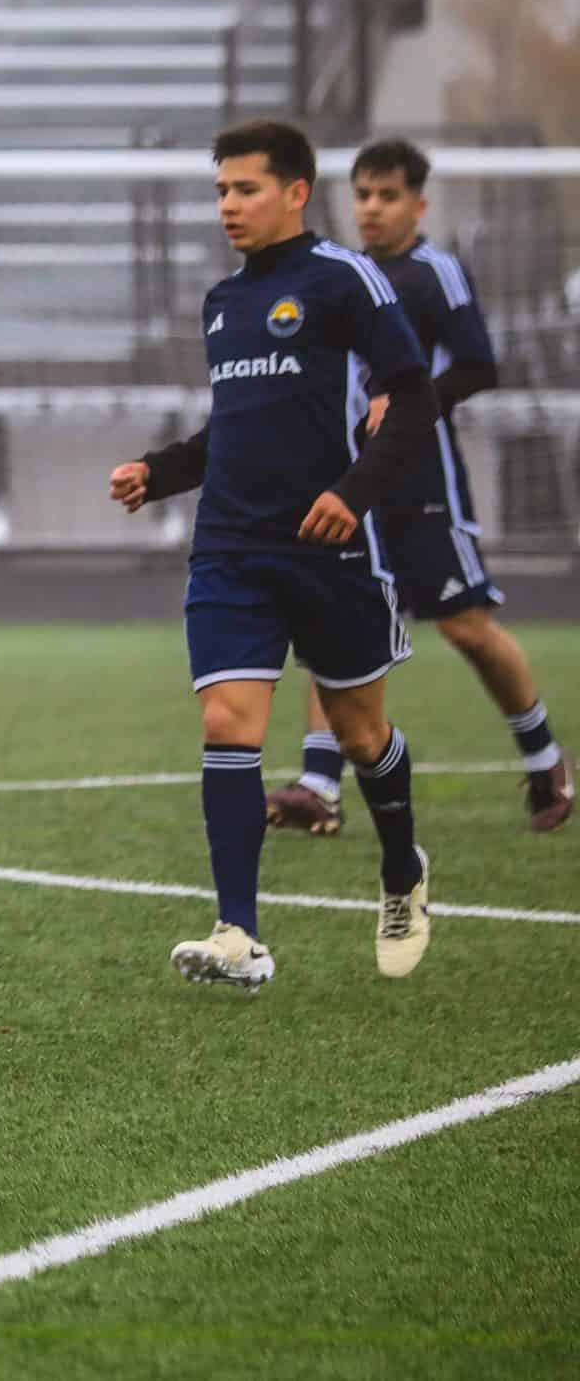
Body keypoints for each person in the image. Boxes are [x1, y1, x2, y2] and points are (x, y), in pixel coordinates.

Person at [108, 119, 437, 990]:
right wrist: (159, 471)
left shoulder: (344, 279)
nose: (228, 205)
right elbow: (234, 429)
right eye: (220, 189)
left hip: (331, 549)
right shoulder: (222, 302)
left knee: (361, 734)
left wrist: (352, 493)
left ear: (295, 192)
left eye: (245, 188)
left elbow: (414, 401)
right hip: (230, 546)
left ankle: (401, 867)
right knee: (228, 724)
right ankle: (238, 933)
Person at [266, 139, 569, 835]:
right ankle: (319, 786)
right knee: (333, 620)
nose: (372, 208)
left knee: (466, 625)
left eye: (388, 195)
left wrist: (408, 399)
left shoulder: (436, 273)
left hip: (421, 480)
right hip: (350, 480)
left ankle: (545, 756)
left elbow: (479, 365)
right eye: (363, 194)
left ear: (419, 204)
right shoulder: (342, 274)